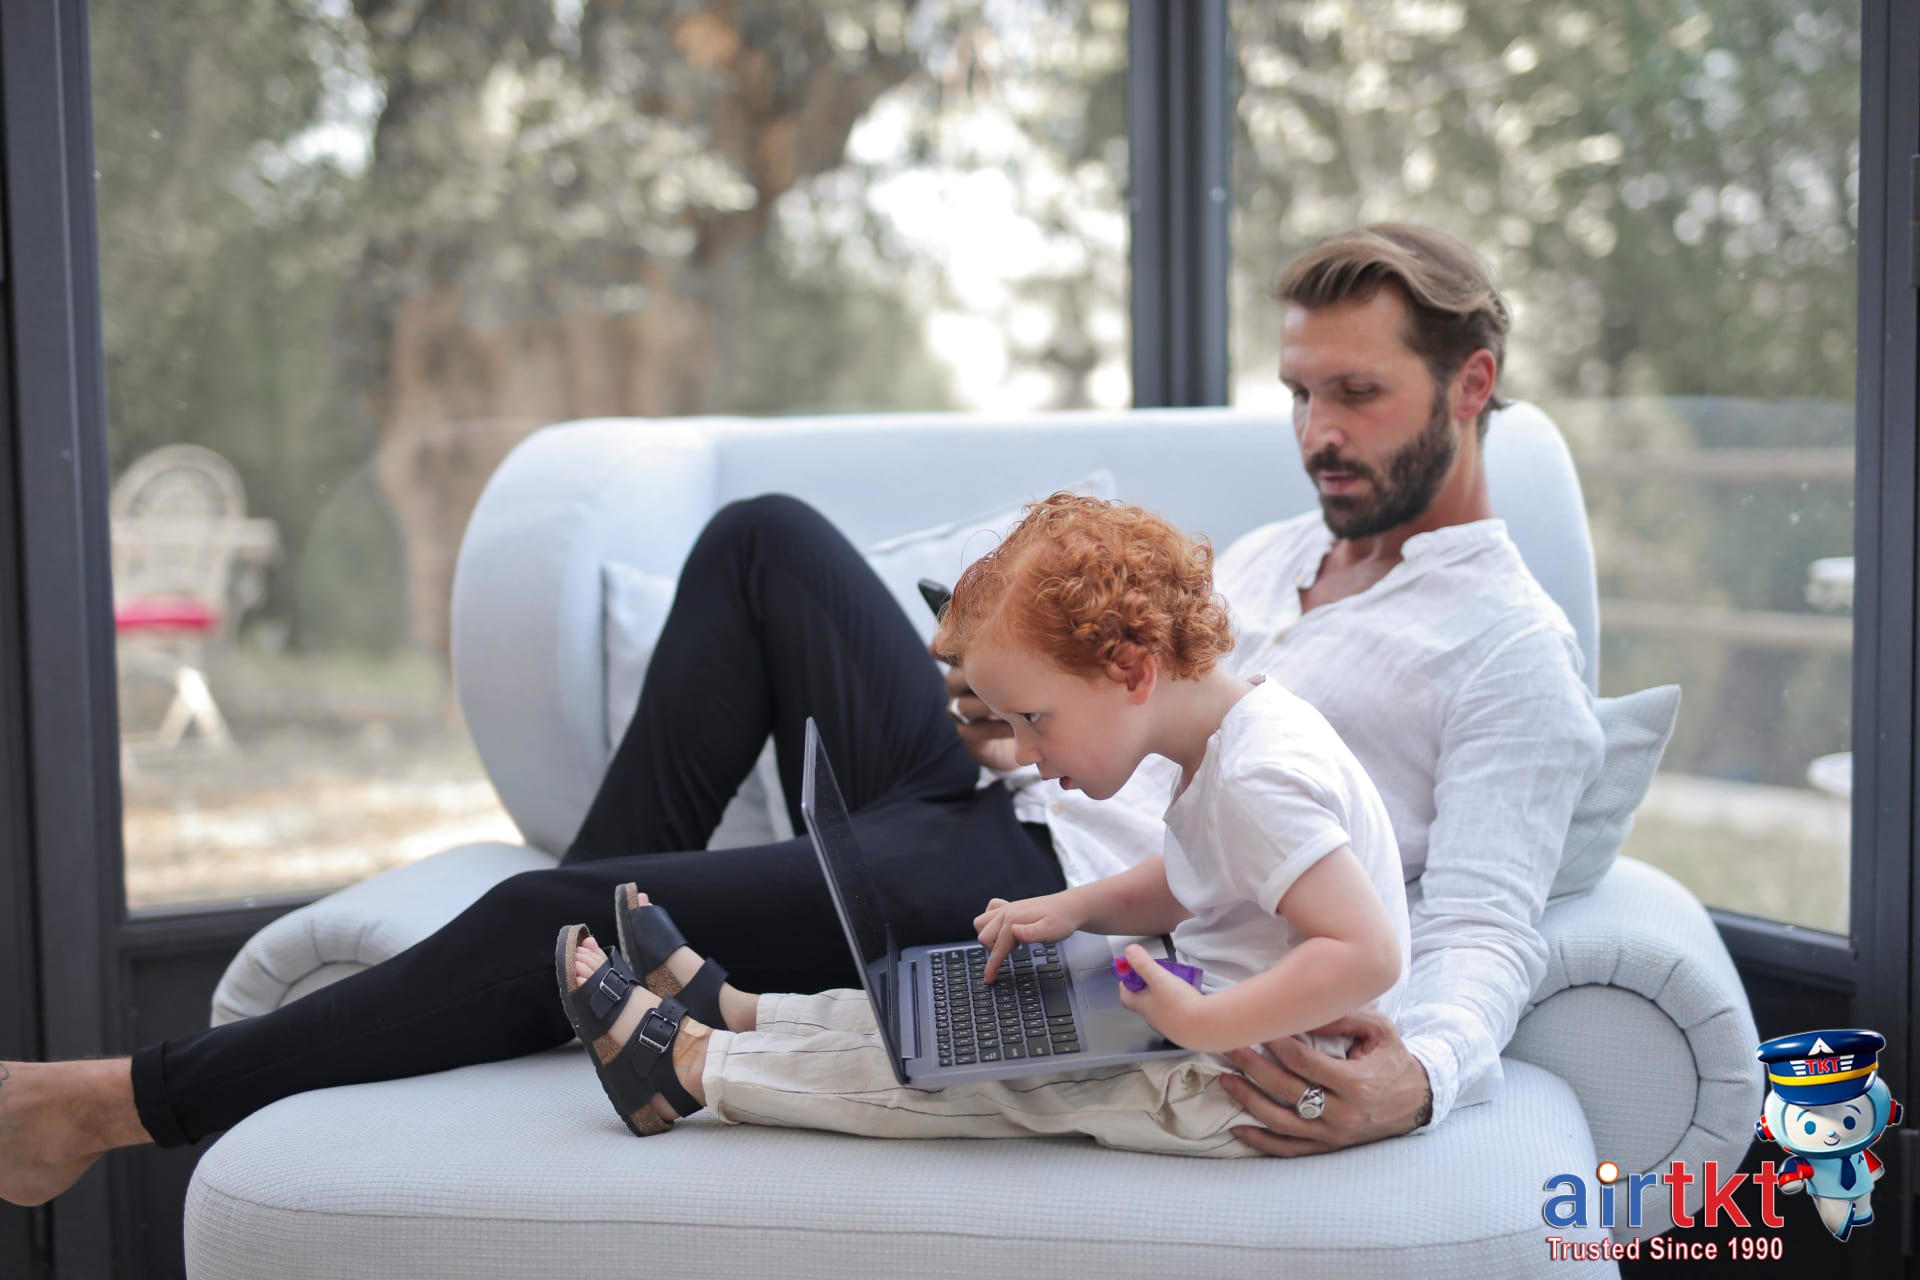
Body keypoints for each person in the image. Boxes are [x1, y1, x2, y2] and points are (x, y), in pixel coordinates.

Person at [0, 222, 1599, 1207]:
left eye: (1360, 396)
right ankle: (585, 955)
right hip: (1015, 813)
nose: (1318, 432)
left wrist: (1422, 1076)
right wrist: (1001, 704)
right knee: (765, 537)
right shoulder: (1276, 554)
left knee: (530, 910)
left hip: (1001, 893)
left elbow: (1486, 927)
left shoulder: (1510, 649)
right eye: (1302, 392)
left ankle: (107, 1108)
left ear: (1473, 385)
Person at [555, 493, 1409, 1153]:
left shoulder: (1258, 776)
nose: (1027, 756)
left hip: (1243, 1085)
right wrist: (1079, 909)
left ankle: (689, 1070)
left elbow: (1366, 951)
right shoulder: (1233, 741)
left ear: (1132, 669)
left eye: (1035, 719)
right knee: (960, 1017)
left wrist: (1200, 1024)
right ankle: (734, 1009)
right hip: (1216, 1035)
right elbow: (1203, 877)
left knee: (973, 1082)